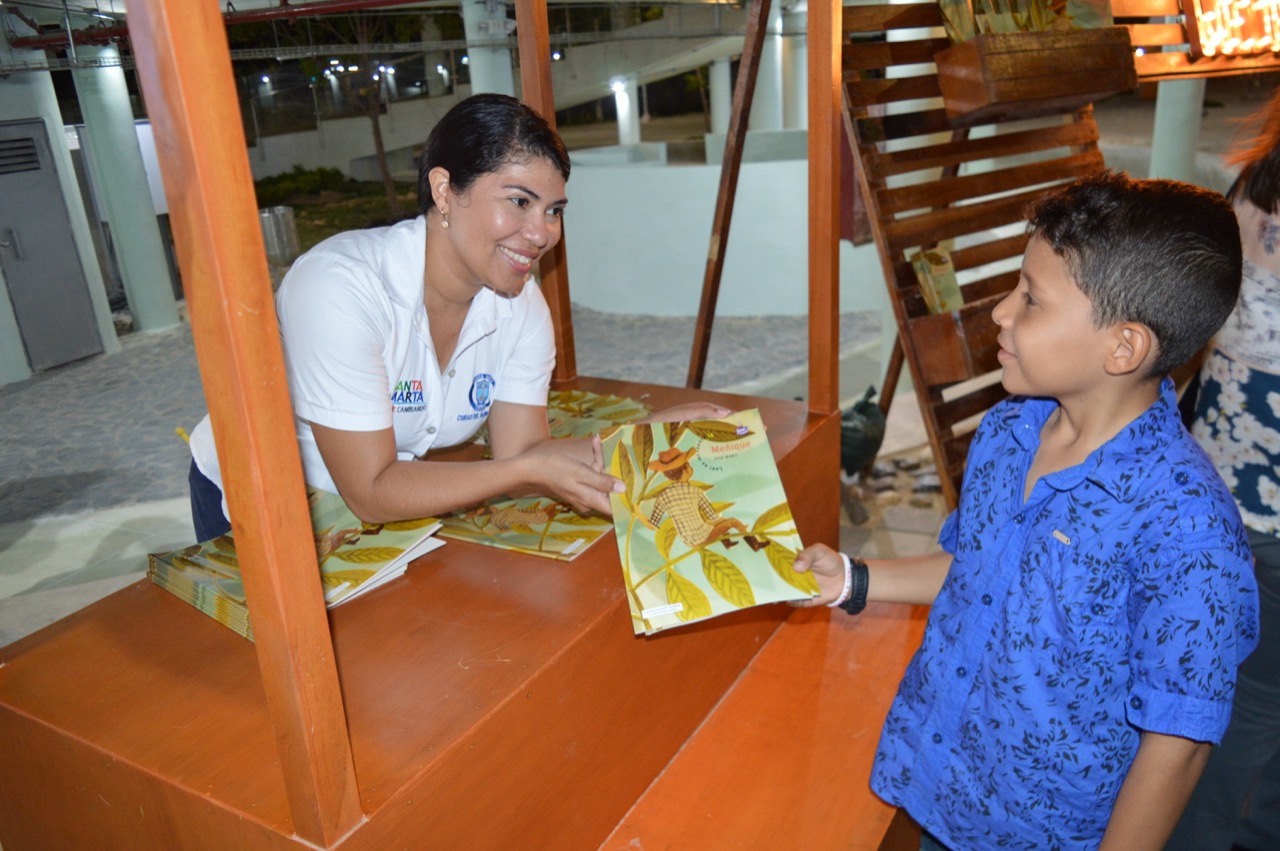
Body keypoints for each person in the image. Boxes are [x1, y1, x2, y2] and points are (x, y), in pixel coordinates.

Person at [792, 172, 1260, 851]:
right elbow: (972, 564)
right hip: (941, 780)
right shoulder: (1011, 431)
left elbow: (1178, 740)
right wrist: (850, 577)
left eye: (1032, 299)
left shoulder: (1186, 525)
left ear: (1123, 346)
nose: (1001, 313)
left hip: (1039, 833)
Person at [188, 93, 720, 541]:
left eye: (554, 210)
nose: (542, 233)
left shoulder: (520, 306)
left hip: (388, 499)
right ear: (445, 191)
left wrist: (636, 440)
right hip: (269, 494)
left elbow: (525, 452)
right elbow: (372, 490)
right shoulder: (338, 287)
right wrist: (520, 470)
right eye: (518, 201)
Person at [1165, 88, 1280, 851]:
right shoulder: (1258, 183)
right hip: (1239, 516)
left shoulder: (1257, 183)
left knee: (1218, 711)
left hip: (1224, 503)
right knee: (1242, 720)